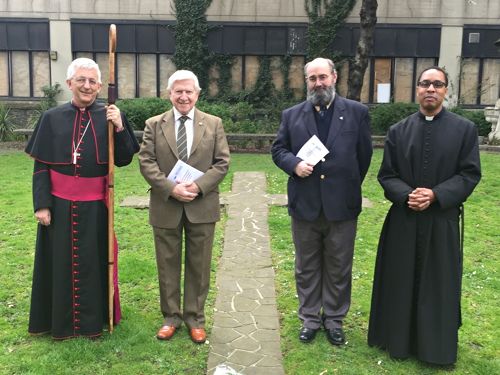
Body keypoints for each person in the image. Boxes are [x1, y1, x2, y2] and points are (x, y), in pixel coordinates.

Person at [368, 66, 482, 365]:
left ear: (446, 90)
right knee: (400, 281)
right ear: (417, 89)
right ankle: (398, 341)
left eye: (437, 84)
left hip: (440, 220)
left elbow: (469, 174)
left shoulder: (464, 130)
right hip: (404, 220)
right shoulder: (398, 130)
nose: (430, 89)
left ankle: (434, 348)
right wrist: (408, 195)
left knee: (437, 284)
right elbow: (387, 175)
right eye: (424, 84)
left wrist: (436, 195)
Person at [25, 57, 140, 339]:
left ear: (100, 86)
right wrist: (42, 205)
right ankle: (59, 322)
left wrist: (121, 127)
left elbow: (125, 159)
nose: (87, 86)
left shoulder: (112, 115)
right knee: (58, 264)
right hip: (59, 204)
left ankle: (94, 321)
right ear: (70, 84)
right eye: (81, 80)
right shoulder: (51, 118)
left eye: (92, 82)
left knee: (94, 262)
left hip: (96, 207)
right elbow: (41, 165)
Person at [271, 57, 373, 345]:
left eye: (322, 77)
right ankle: (310, 318)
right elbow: (278, 149)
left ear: (334, 77)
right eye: (312, 78)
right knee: (307, 266)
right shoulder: (292, 115)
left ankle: (335, 319)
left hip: (342, 205)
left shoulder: (356, 113)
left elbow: (363, 157)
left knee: (339, 265)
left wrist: (345, 184)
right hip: (305, 204)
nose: (318, 83)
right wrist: (294, 165)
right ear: (306, 82)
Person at [138, 70, 230, 344]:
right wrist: (171, 188)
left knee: (199, 264)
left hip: (201, 204)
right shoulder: (154, 124)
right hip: (166, 204)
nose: (183, 96)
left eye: (189, 91)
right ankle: (171, 317)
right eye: (178, 91)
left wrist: (198, 186)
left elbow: (222, 163)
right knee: (167, 264)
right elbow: (146, 162)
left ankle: (195, 318)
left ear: (197, 94)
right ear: (169, 94)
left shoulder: (213, 124)